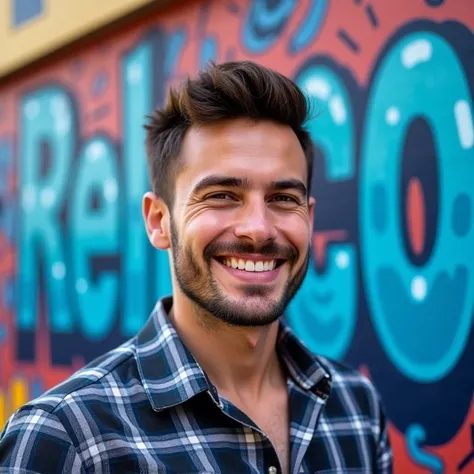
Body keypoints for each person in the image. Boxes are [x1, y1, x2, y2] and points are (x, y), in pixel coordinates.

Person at [0, 60, 392, 473]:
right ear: (158, 222)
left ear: (309, 218)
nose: (258, 230)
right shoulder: (66, 438)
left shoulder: (356, 407)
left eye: (283, 198)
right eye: (222, 195)